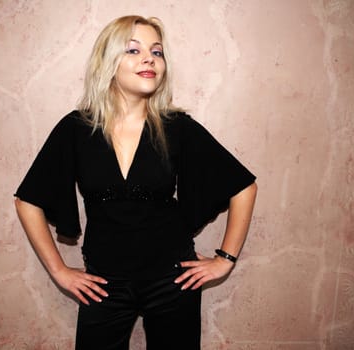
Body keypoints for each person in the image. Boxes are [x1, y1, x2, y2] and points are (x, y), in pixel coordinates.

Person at [14, 15, 257, 350]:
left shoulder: (177, 127)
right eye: (133, 50)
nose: (149, 59)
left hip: (173, 280)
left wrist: (223, 261)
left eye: (156, 52)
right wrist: (59, 271)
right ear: (108, 62)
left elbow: (243, 187)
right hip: (104, 284)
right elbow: (28, 200)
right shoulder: (77, 128)